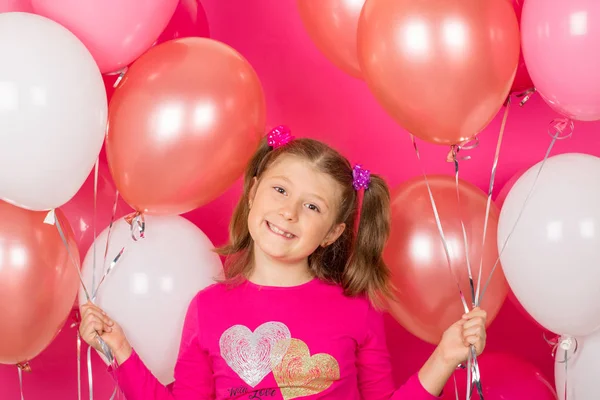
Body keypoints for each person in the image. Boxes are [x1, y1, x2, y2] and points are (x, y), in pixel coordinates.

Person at [80, 126, 487, 399]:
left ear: (332, 233)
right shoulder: (208, 308)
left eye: (312, 206)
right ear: (254, 191)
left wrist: (446, 356)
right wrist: (117, 347)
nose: (289, 212)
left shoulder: (356, 309)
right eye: (279, 190)